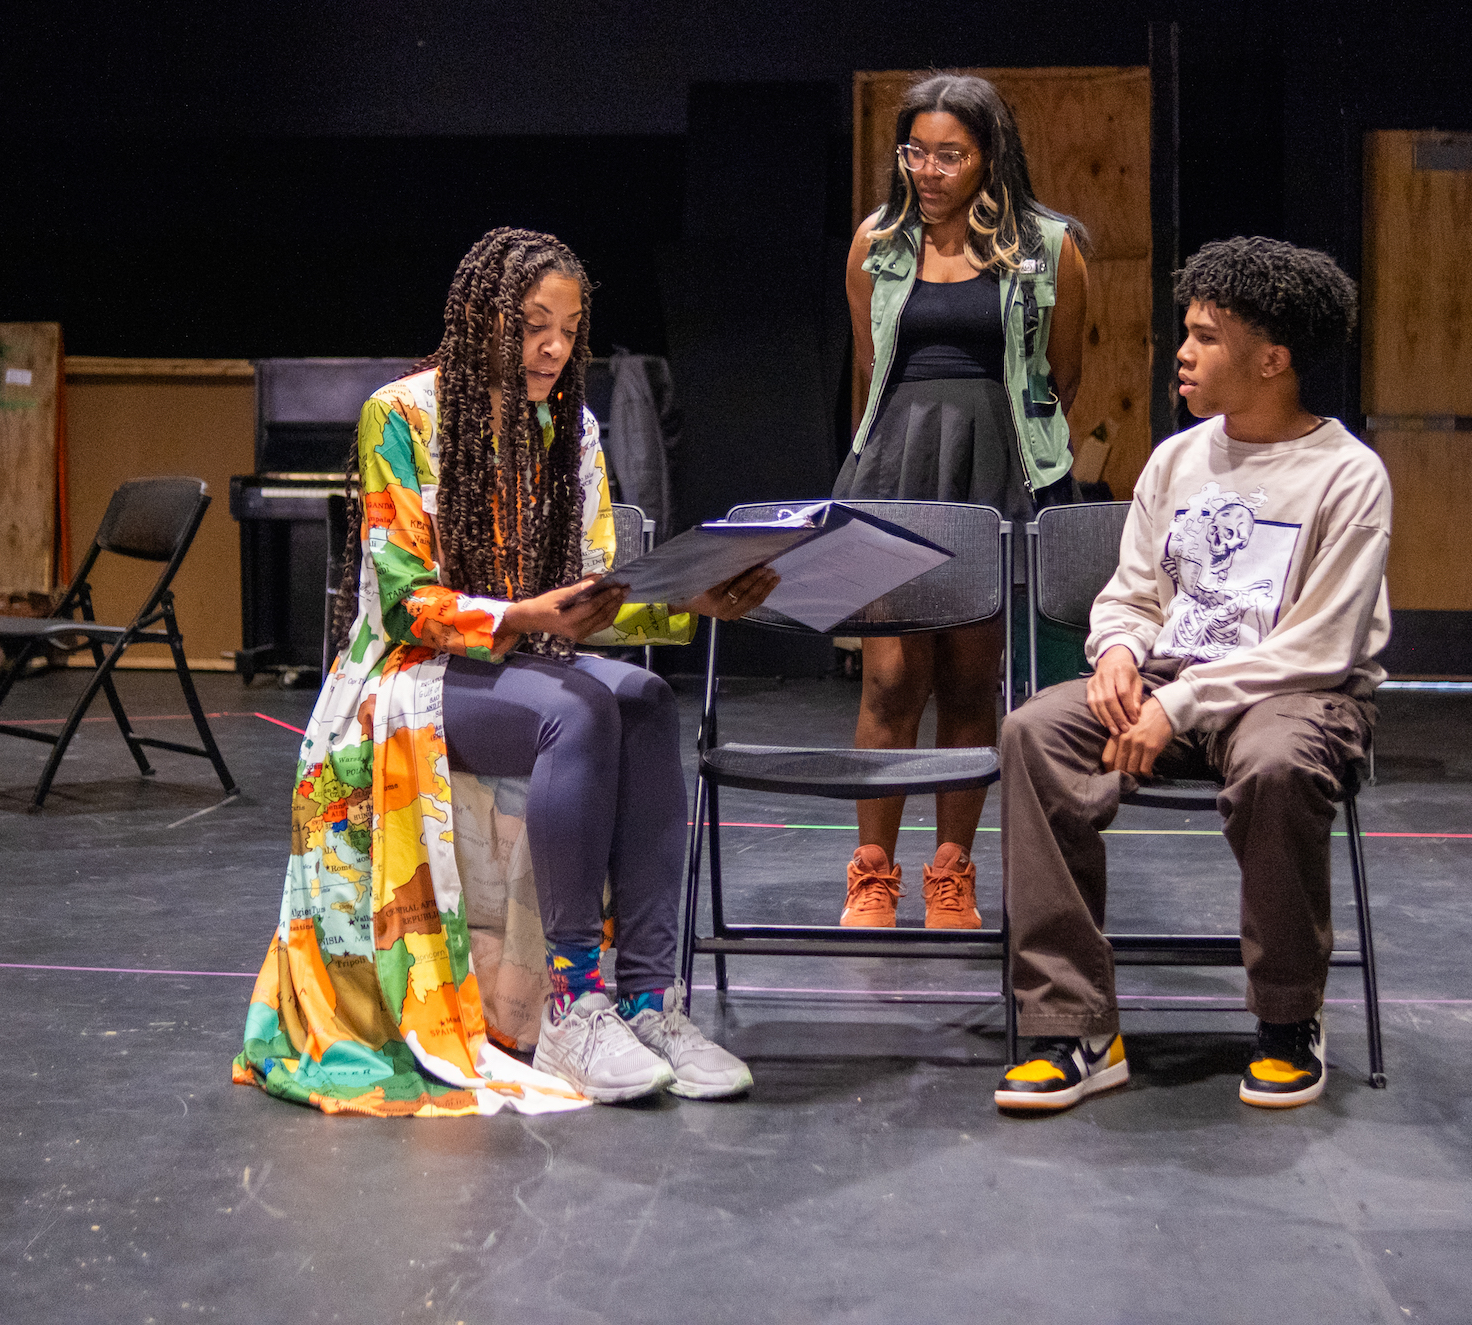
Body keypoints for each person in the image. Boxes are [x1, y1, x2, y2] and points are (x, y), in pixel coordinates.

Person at [233, 227, 779, 1115]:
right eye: (533, 323)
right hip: (405, 677)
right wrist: (521, 616)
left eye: (569, 328)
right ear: (483, 318)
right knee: (580, 712)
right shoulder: (401, 414)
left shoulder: (574, 427)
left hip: (523, 659)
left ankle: (646, 1000)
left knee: (643, 698)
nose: (554, 347)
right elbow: (407, 599)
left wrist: (693, 603)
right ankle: (570, 1000)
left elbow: (599, 594)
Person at [993, 237, 1388, 1115]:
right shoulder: (1176, 459)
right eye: (1188, 332)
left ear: (1272, 359)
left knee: (1280, 766)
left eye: (1207, 336)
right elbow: (1133, 591)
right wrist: (1121, 653)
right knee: (1035, 731)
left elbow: (1321, 645)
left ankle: (1288, 1018)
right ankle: (1077, 1025)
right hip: (1172, 680)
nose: (1183, 351)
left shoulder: (1347, 475)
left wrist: (1178, 701)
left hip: (1295, 695)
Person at [833, 73, 1087, 931]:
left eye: (952, 154)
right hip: (899, 464)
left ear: (989, 156)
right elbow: (870, 364)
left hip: (994, 466)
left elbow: (1064, 373)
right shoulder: (878, 241)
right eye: (916, 152)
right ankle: (872, 871)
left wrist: (1001, 437)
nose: (930, 170)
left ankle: (951, 870)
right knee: (891, 674)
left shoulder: (1047, 246)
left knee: (973, 676)